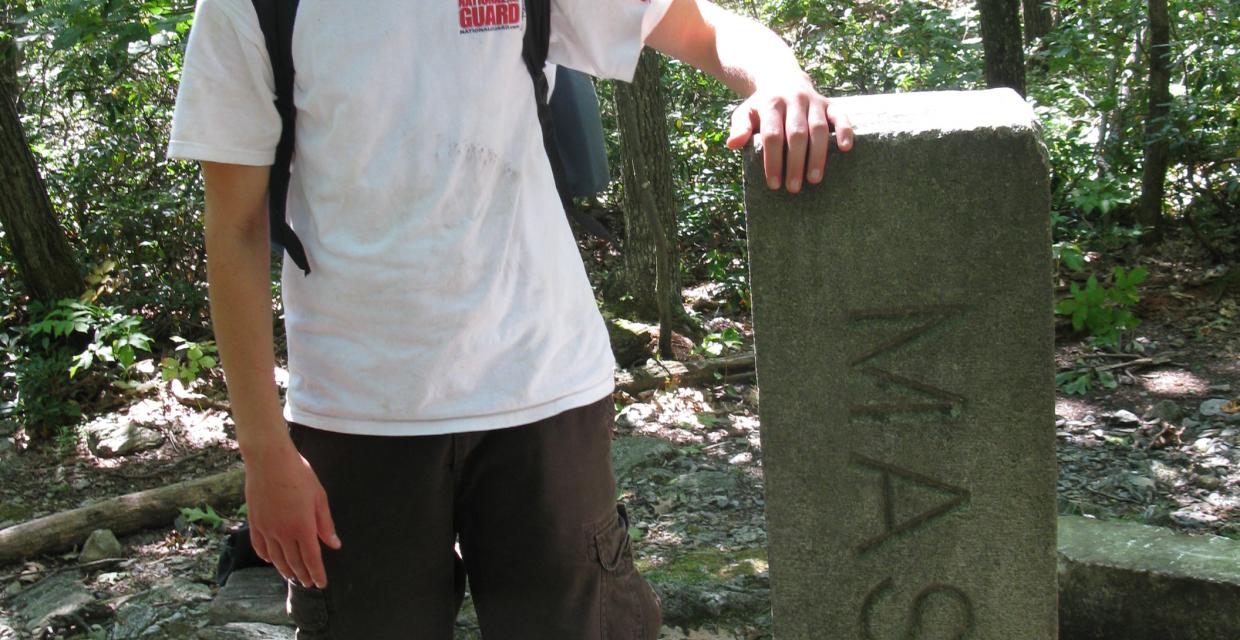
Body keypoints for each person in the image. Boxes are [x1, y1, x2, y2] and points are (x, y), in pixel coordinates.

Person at [167, 0, 853, 637]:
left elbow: (699, 25)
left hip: (542, 388)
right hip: (357, 411)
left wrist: (779, 78)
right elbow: (233, 226)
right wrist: (264, 454)